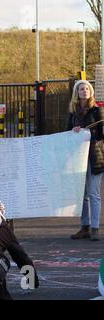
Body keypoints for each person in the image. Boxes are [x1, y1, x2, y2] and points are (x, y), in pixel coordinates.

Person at [68, 80, 104, 241]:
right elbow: (67, 135)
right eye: (82, 89)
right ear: (77, 92)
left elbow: (102, 135)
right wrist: (73, 132)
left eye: (87, 88)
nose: (85, 91)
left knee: (94, 193)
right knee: (82, 195)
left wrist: (90, 133)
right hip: (78, 159)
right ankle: (85, 227)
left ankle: (95, 228)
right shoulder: (73, 112)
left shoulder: (98, 110)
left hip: (95, 157)